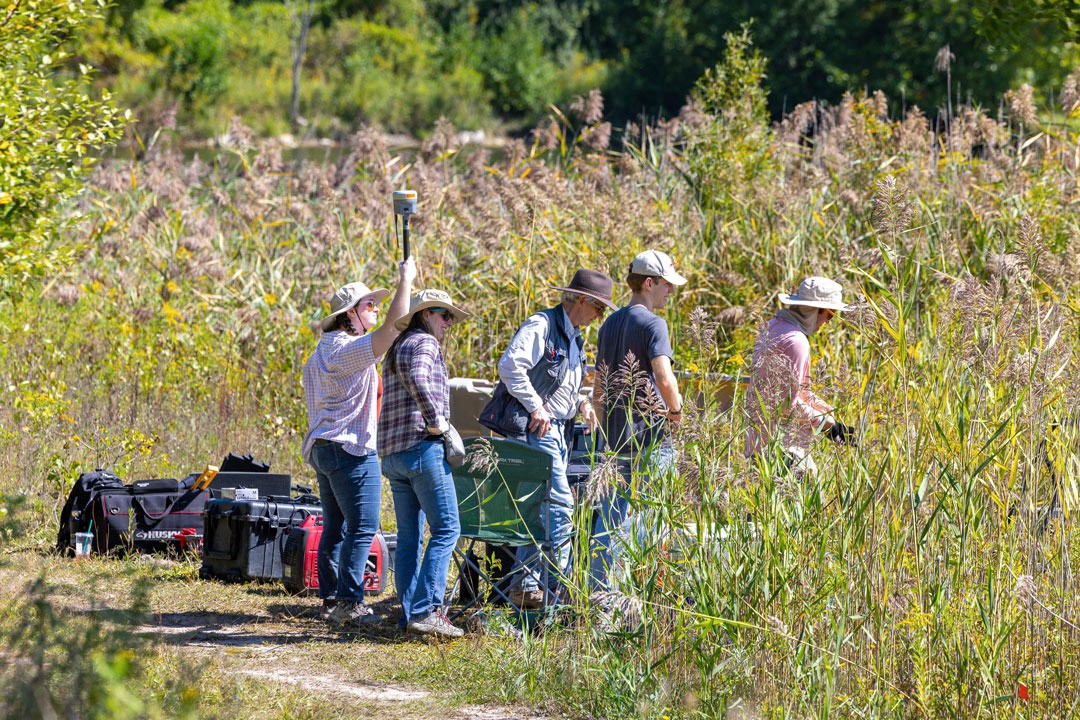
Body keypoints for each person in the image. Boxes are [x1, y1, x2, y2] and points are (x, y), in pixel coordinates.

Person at [478, 268, 618, 608]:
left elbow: (564, 388)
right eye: (599, 309)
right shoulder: (541, 325)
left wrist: (582, 402)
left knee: (540, 511)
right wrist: (536, 407)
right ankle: (561, 590)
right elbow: (510, 366)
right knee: (560, 507)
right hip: (537, 429)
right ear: (583, 300)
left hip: (558, 431)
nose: (599, 317)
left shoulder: (574, 338)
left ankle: (526, 587)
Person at [302, 257, 416, 627]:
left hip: (323, 447)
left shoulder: (320, 354)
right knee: (364, 526)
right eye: (368, 305)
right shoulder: (345, 350)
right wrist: (406, 281)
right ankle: (350, 603)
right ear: (350, 315)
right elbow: (394, 328)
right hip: (349, 448)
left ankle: (332, 599)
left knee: (335, 528)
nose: (375, 308)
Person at [589, 250, 687, 590]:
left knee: (609, 520)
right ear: (649, 282)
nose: (670, 292)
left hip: (614, 442)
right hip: (650, 439)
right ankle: (637, 593)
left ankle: (601, 595)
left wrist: (603, 437)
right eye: (666, 285)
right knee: (650, 515)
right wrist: (675, 413)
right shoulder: (653, 324)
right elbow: (664, 377)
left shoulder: (609, 323)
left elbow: (599, 387)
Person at [378, 289, 472, 638]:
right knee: (447, 528)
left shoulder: (396, 347)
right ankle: (427, 610)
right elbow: (419, 377)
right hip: (422, 448)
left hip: (393, 455)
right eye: (444, 315)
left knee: (409, 537)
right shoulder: (426, 344)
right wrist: (438, 422)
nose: (448, 323)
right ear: (426, 314)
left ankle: (408, 614)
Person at [744, 276, 856, 479]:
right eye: (829, 316)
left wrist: (829, 416)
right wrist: (826, 425)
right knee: (810, 508)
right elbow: (787, 404)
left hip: (758, 442)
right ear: (815, 310)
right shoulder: (797, 341)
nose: (827, 323)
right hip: (784, 448)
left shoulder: (773, 327)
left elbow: (798, 392)